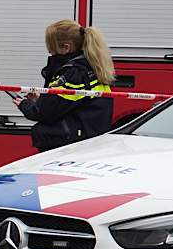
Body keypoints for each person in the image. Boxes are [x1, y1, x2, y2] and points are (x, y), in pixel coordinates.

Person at [16, 20, 115, 151]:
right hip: (87, 143)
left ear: (66, 47)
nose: (50, 52)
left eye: (52, 48)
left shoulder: (73, 74)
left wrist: (25, 105)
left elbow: (45, 112)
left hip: (69, 148)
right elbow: (67, 105)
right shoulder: (91, 66)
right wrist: (39, 100)